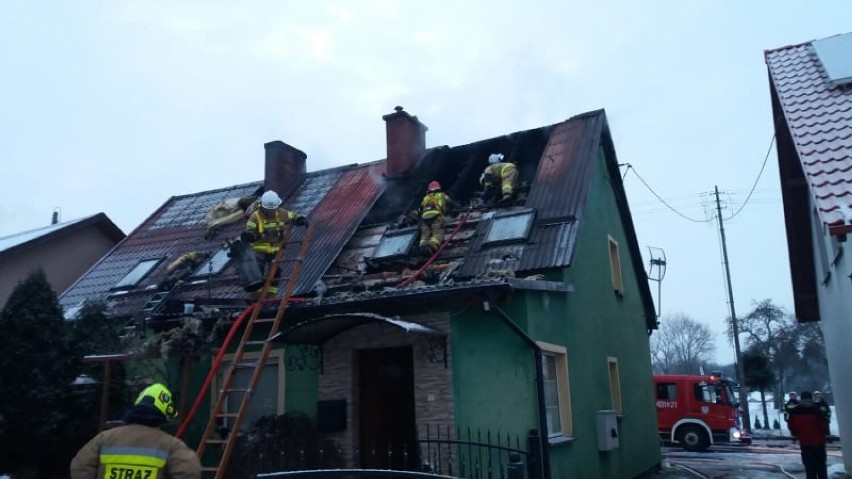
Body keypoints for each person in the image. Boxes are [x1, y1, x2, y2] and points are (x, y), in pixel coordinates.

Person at [70, 383, 201, 479]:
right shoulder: (170, 444)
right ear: (163, 415)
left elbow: (80, 466)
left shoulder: (105, 438)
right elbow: (189, 472)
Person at [241, 190, 308, 297]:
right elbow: (250, 231)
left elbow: (292, 216)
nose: (272, 211)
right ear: (262, 207)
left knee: (276, 272)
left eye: (274, 209)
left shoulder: (281, 213)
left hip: (276, 250)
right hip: (260, 250)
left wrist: (300, 219)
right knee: (258, 269)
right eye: (269, 209)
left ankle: (271, 295)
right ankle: (256, 295)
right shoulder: (255, 216)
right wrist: (249, 236)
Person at [787, 390, 829, 479]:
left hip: (805, 443)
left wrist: (797, 434)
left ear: (801, 398)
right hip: (819, 443)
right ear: (811, 398)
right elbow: (824, 426)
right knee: (821, 467)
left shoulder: (795, 411)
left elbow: (791, 425)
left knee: (809, 468)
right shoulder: (817, 410)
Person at [417, 181, 456, 255]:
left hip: (425, 218)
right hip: (437, 216)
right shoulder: (442, 195)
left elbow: (419, 210)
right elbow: (451, 203)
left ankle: (422, 248)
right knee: (437, 232)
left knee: (425, 234)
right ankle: (431, 247)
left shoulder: (426, 198)